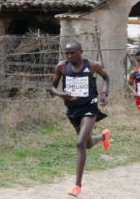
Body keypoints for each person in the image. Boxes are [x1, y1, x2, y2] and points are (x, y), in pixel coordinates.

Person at [51, 40, 110, 197]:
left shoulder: (92, 65)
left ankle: (77, 185)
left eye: (73, 53)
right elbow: (52, 87)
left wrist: (104, 94)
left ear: (81, 52)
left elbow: (106, 78)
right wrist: (60, 94)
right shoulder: (62, 67)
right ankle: (103, 137)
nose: (70, 55)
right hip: (73, 110)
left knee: (80, 143)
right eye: (67, 53)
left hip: (89, 107)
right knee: (88, 144)